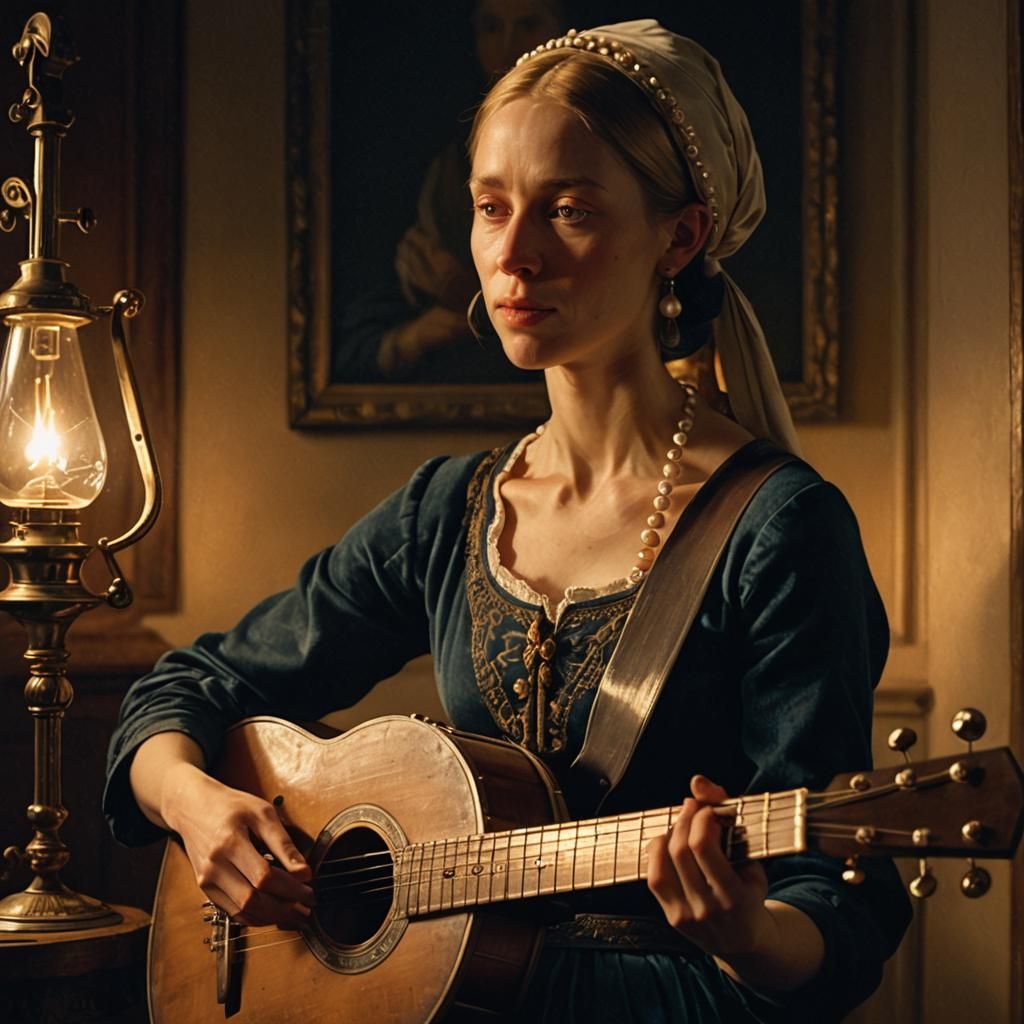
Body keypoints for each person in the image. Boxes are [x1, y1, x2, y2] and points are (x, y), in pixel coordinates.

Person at [105, 19, 910, 1022]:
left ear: (681, 235)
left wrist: (747, 930)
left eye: (566, 210)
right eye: (491, 209)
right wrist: (197, 804)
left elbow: (833, 916)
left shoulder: (780, 528)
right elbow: (184, 689)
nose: (512, 256)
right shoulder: (451, 512)